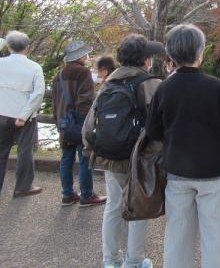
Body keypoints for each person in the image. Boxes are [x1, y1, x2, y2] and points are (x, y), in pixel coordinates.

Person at [146, 24, 220, 268]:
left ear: (171, 56)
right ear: (200, 53)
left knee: (177, 238)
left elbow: (153, 131)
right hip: (214, 172)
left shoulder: (163, 89)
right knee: (215, 239)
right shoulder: (219, 88)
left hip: (177, 172)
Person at [83, 35, 163, 268]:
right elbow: (161, 124)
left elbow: (90, 123)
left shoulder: (109, 83)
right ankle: (134, 261)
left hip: (110, 157)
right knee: (138, 207)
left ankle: (111, 260)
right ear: (144, 60)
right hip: (140, 158)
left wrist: (92, 151)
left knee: (114, 207)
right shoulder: (150, 84)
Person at [52, 41, 106, 207]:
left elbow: (55, 102)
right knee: (84, 157)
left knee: (66, 158)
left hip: (64, 122)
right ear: (80, 56)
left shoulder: (59, 75)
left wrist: (59, 121)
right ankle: (86, 195)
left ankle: (67, 194)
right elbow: (86, 100)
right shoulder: (83, 73)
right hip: (79, 121)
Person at [0, 31, 45, 198]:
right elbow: (38, 93)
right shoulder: (34, 67)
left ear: (8, 46)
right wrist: (24, 115)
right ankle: (23, 187)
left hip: (1, 113)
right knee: (25, 151)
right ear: (28, 48)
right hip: (23, 117)